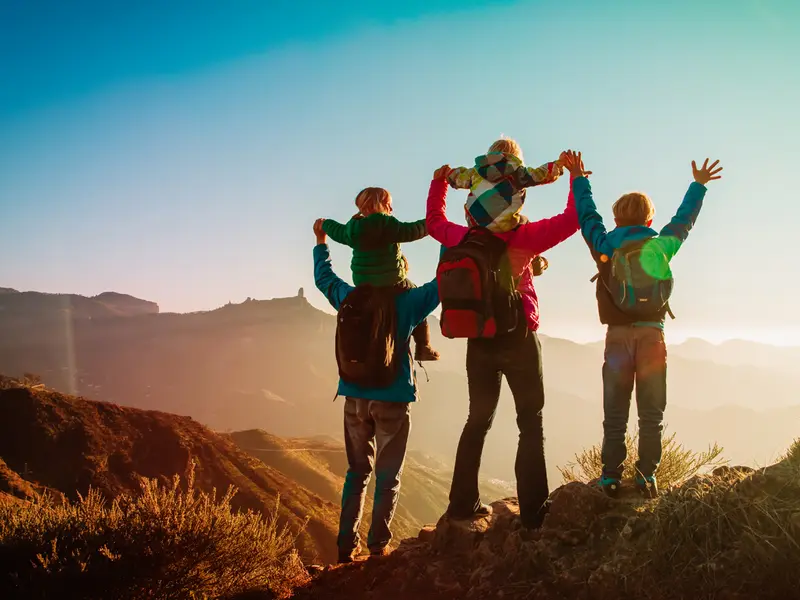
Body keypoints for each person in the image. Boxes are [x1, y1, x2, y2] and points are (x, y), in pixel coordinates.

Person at [426, 154, 581, 530]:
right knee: (530, 422)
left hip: (478, 340)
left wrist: (439, 183)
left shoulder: (463, 236)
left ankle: (462, 505)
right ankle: (532, 514)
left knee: (476, 420)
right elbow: (573, 220)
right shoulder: (523, 237)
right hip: (518, 339)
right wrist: (575, 178)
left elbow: (434, 223)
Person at [566, 151, 723, 498]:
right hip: (653, 337)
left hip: (618, 339)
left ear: (617, 217)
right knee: (651, 415)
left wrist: (579, 178)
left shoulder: (605, 245)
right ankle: (646, 477)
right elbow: (684, 222)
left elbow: (587, 217)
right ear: (649, 217)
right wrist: (698, 186)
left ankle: (609, 477)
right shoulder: (660, 247)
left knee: (615, 415)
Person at [312, 218, 441, 563]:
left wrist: (321, 242)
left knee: (356, 473)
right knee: (388, 476)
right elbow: (441, 284)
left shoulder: (348, 297)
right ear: (394, 260)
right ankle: (377, 548)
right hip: (393, 399)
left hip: (354, 397)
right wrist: (448, 238)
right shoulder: (408, 302)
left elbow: (323, 278)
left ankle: (344, 548)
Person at [319, 187, 440, 361]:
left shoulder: (351, 230)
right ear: (381, 205)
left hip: (363, 284)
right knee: (417, 302)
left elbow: (336, 231)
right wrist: (433, 222)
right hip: (393, 282)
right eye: (389, 205)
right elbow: (413, 230)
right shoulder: (388, 225)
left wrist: (324, 225)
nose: (391, 209)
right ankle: (424, 346)